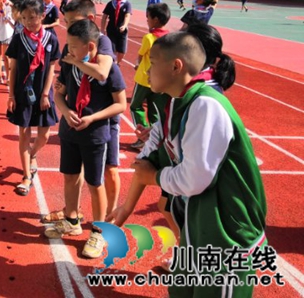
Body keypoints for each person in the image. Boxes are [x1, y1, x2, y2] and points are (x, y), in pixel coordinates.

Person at [109, 32, 266, 297]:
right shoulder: (177, 102)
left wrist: (156, 178)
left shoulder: (206, 105)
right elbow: (148, 158)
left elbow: (196, 178)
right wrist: (126, 207)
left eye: (152, 62)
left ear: (176, 66)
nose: (145, 69)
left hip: (224, 234)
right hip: (197, 226)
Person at [46, 19, 126, 259]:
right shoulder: (70, 63)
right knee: (70, 177)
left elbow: (120, 105)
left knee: (95, 183)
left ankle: (99, 232)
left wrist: (93, 118)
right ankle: (71, 220)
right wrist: (65, 110)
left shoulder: (108, 69)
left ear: (90, 46)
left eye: (72, 45)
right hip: (70, 132)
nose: (68, 50)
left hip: (94, 135)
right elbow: (59, 94)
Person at [6, 0, 60, 196]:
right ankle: (26, 176)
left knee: (44, 135)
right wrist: (11, 95)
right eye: (25, 18)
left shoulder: (51, 39)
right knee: (24, 133)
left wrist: (46, 93)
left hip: (43, 93)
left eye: (33, 17)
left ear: (42, 16)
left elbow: (52, 67)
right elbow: (14, 68)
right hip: (23, 93)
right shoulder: (19, 38)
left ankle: (32, 154)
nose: (29, 21)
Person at [129, 3, 171, 150]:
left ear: (156, 19)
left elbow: (140, 56)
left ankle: (143, 136)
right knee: (156, 110)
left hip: (144, 80)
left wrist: (137, 64)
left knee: (135, 106)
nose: (146, 19)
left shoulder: (148, 37)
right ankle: (156, 138)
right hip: (161, 81)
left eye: (148, 17)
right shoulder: (170, 38)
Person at [100, 0, 131, 65]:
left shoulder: (127, 4)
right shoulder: (110, 4)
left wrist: (124, 25)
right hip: (111, 30)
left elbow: (127, 16)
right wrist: (102, 29)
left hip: (122, 31)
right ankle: (113, 64)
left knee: (122, 51)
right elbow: (104, 17)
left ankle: (118, 63)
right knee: (112, 49)